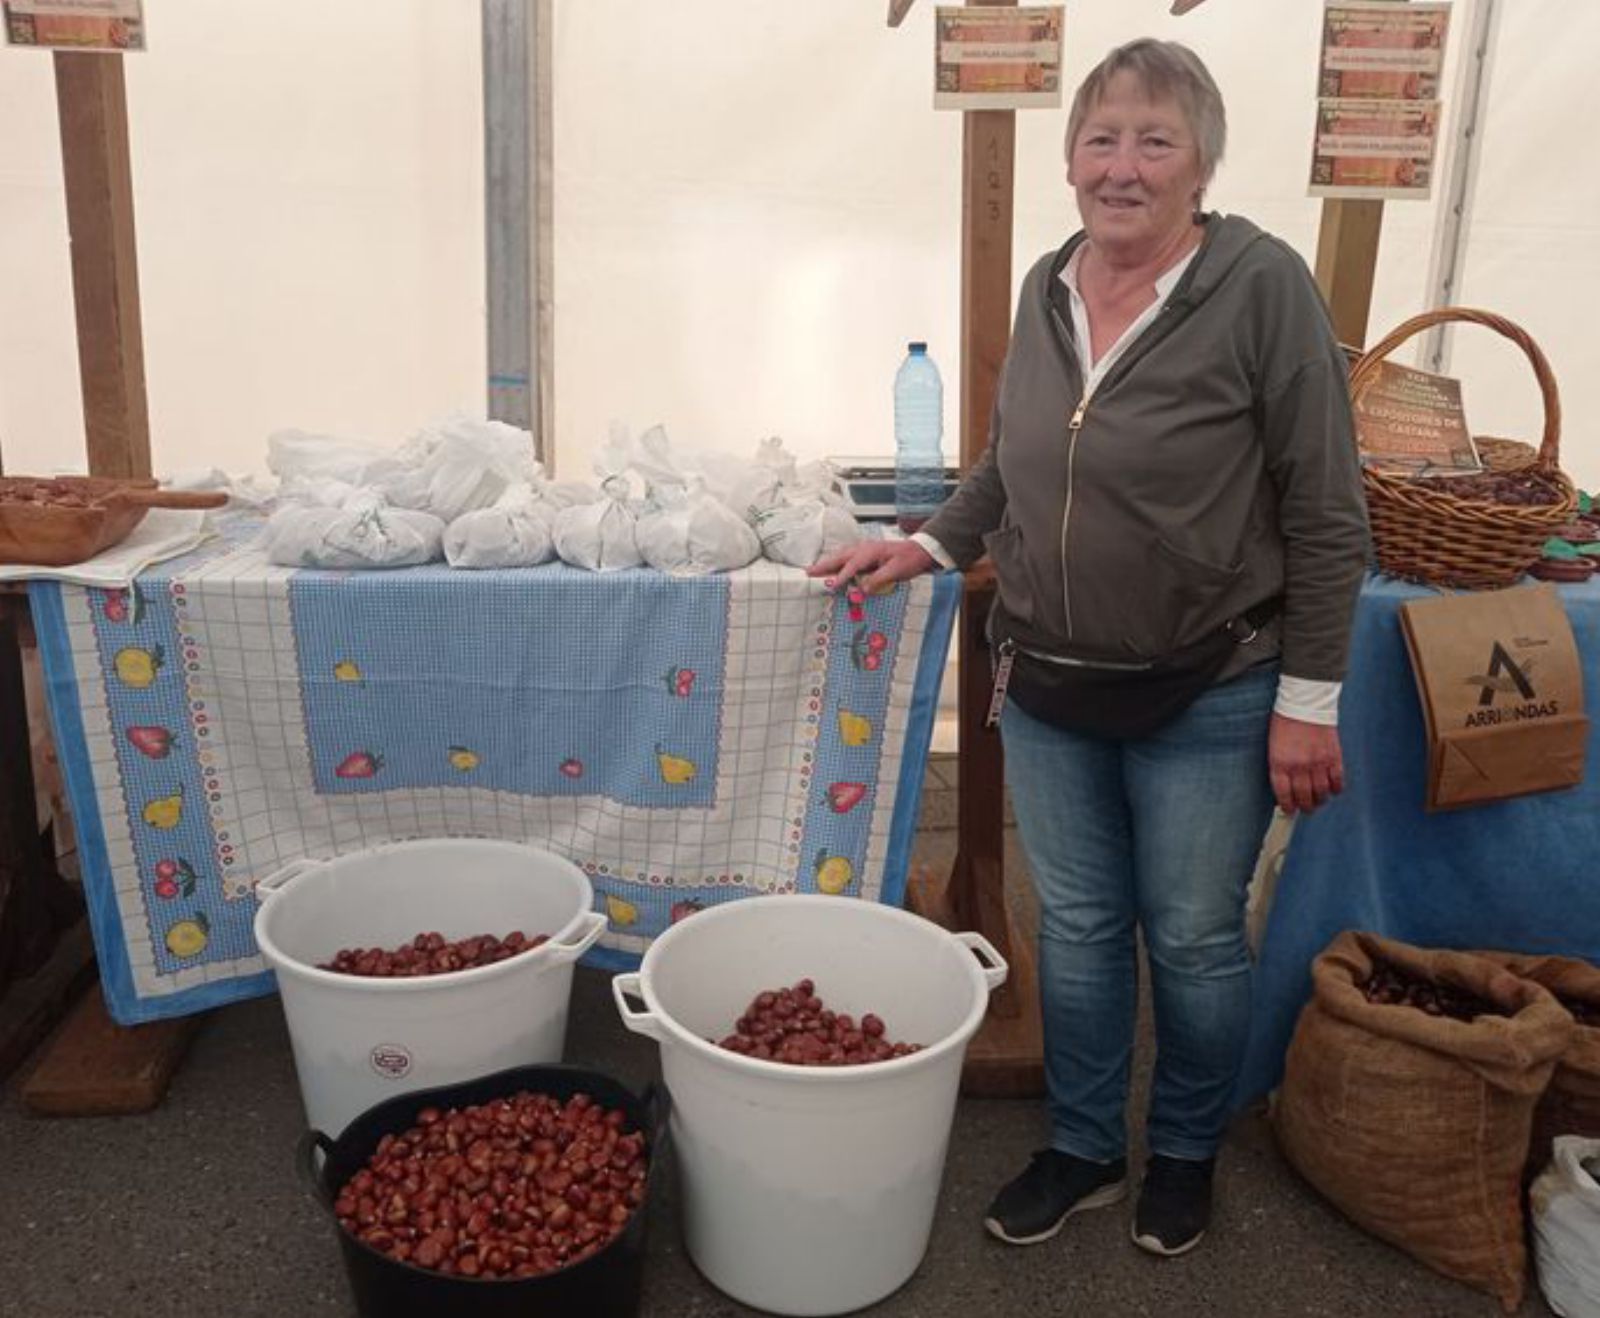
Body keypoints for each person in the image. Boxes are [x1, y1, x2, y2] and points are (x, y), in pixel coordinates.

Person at [810, 39, 1369, 1259]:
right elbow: (1015, 457)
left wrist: (1309, 700)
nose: (1122, 167)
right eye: (1102, 139)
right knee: (1072, 923)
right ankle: (1080, 1145)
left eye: (1154, 140)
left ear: (1201, 164)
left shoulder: (1262, 286)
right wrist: (927, 549)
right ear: (1070, 159)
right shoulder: (1049, 278)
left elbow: (1328, 510)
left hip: (1213, 683)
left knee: (1192, 934)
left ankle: (1179, 1150)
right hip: (1053, 676)